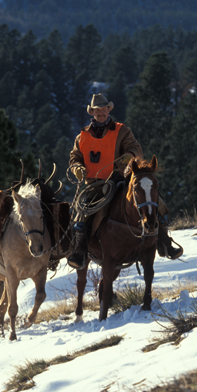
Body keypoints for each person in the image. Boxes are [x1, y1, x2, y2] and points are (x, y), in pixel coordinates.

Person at [67, 93, 183, 269]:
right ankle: (80, 251)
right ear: (92, 112)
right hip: (94, 184)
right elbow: (75, 157)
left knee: (153, 202)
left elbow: (136, 148)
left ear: (108, 110)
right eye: (97, 110)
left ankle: (164, 243)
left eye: (103, 109)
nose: (101, 113)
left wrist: (129, 156)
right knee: (83, 212)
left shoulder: (122, 131)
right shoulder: (81, 136)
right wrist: (77, 168)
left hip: (119, 180)